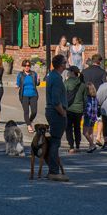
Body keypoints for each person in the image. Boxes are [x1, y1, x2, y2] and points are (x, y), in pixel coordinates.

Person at [44, 54, 69, 182]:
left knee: (54, 141)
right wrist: (63, 113)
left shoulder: (52, 76)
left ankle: (52, 169)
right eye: (65, 62)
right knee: (55, 142)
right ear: (61, 65)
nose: (66, 64)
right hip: (56, 112)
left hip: (51, 111)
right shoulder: (57, 79)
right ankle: (54, 171)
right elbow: (55, 100)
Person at [64, 66, 86, 153]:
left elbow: (63, 95)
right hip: (79, 110)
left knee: (68, 128)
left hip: (69, 109)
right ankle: (77, 145)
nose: (68, 73)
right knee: (77, 128)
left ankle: (71, 146)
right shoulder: (82, 84)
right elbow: (85, 99)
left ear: (73, 72)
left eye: (69, 71)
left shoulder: (66, 83)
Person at [16, 59, 40, 133]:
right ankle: (29, 125)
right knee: (26, 111)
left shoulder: (33, 74)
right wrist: (17, 85)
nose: (27, 67)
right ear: (23, 66)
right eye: (25, 65)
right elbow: (18, 83)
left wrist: (38, 81)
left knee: (34, 112)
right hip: (24, 95)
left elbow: (37, 84)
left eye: (28, 65)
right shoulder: (20, 75)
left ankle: (29, 121)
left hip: (33, 95)